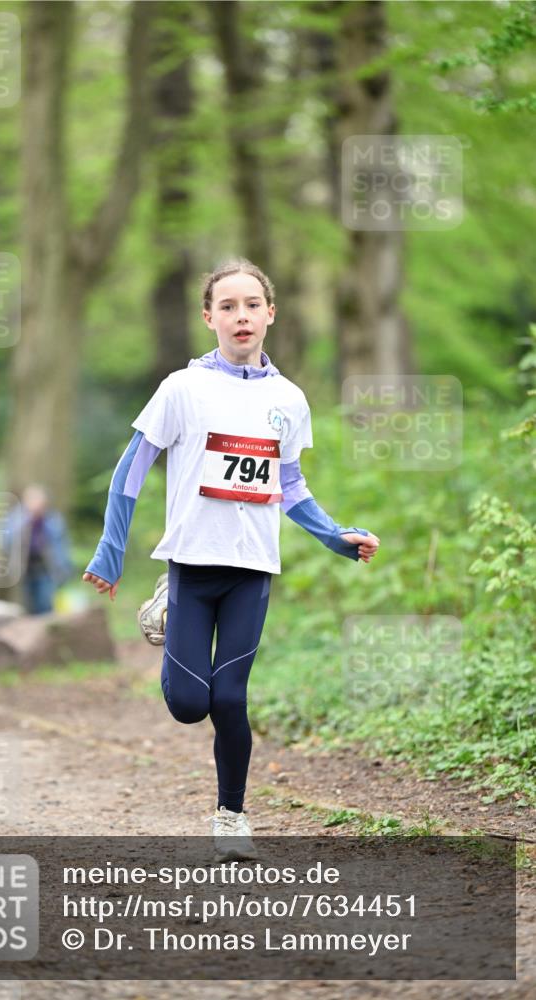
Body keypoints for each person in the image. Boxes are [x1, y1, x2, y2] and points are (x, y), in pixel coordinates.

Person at [83, 259, 380, 861]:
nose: (240, 316)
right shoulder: (182, 388)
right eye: (227, 306)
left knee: (231, 699)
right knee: (190, 705)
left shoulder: (289, 399)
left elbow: (289, 485)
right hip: (191, 566)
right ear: (209, 318)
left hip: (251, 568)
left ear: (271, 313)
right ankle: (167, 607)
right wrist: (110, 551)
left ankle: (231, 817)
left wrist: (334, 536)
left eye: (251, 304)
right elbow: (130, 470)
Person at [0, 484, 74, 615]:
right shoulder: (17, 518)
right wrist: (27, 521)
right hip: (25, 569)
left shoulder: (52, 520)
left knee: (44, 603)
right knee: (28, 605)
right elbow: (6, 540)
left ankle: (45, 630)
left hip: (46, 569)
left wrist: (65, 570)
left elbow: (62, 546)